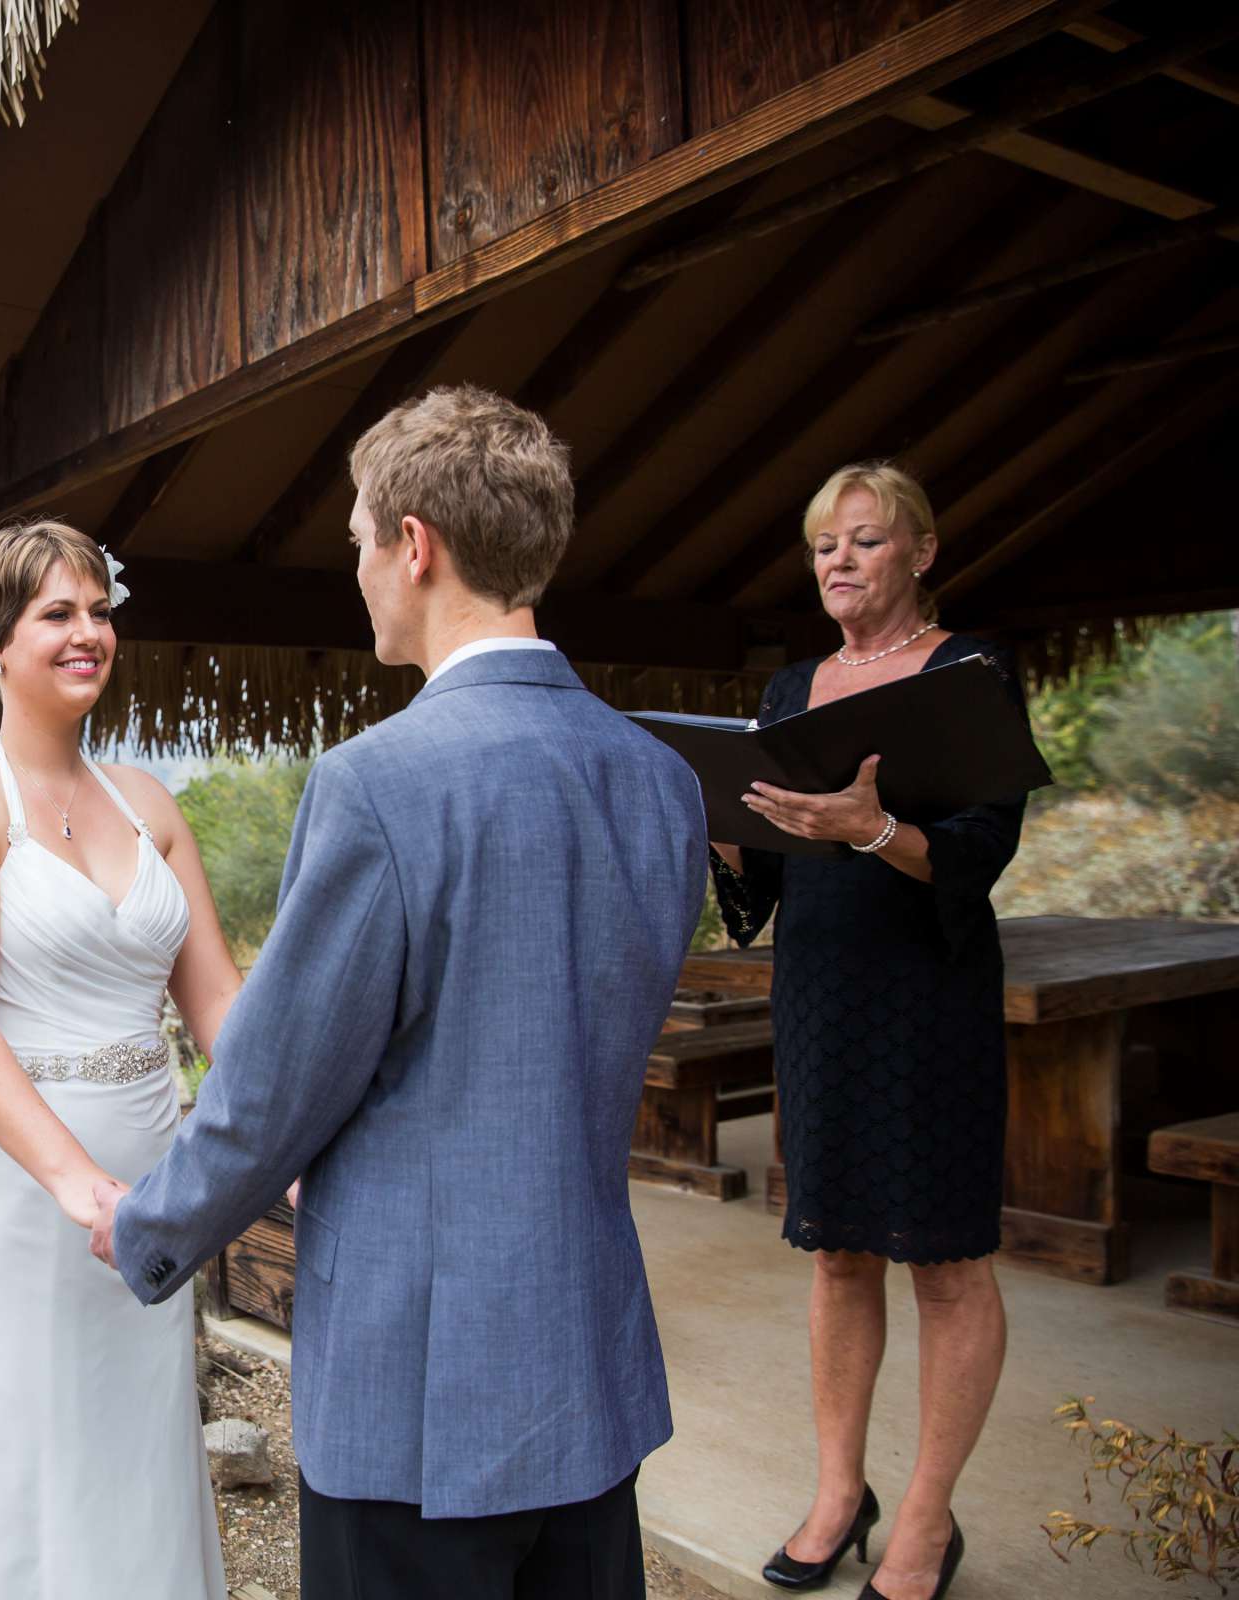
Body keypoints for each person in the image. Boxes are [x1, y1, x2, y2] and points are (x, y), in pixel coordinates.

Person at [91, 384, 706, 1600]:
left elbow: (274, 1084)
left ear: (413, 544)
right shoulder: (662, 780)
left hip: (421, 1398)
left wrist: (151, 1226)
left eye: (360, 542)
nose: (360, 573)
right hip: (589, 1368)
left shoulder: (382, 782)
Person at [0, 520, 239, 1597]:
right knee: (5, 1457)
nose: (89, 634)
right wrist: (82, 1189)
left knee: (123, 1452)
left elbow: (217, 1002)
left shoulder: (152, 803)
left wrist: (281, 1134)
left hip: (153, 1182)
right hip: (12, 1185)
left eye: (100, 611)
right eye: (57, 615)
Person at [708, 462, 1025, 1600]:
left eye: (864, 541)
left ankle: (928, 1522)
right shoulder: (793, 690)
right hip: (822, 993)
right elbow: (765, 892)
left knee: (945, 1261)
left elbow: (981, 855)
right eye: (822, 547)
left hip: (928, 995)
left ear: (922, 553)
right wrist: (730, 829)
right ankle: (842, 1492)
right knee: (838, 1250)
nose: (838, 562)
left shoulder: (971, 672)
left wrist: (875, 824)